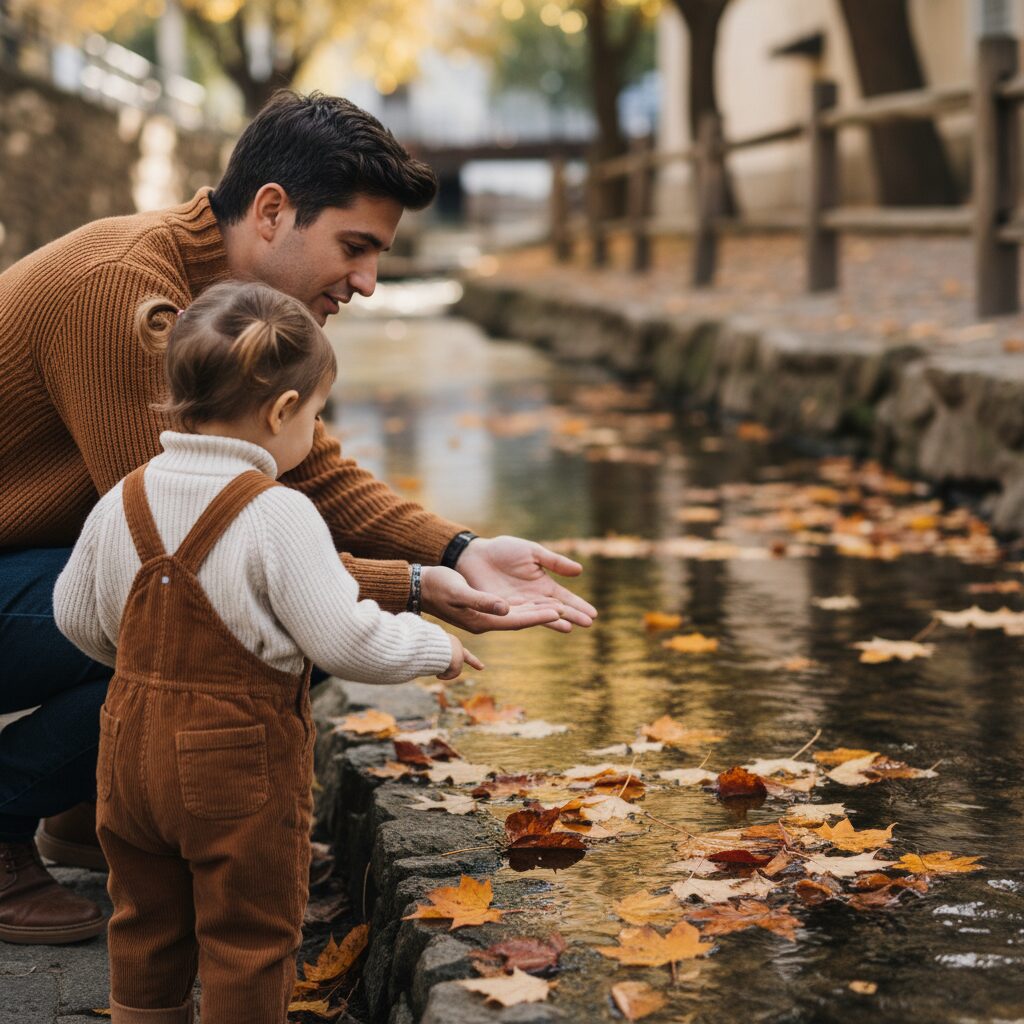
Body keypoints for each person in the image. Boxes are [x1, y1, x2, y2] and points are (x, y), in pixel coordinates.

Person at [0, 91, 596, 943]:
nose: (367, 282)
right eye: (355, 248)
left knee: (254, 609)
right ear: (273, 211)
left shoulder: (232, 314)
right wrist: (413, 590)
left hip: (25, 567)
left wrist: (459, 549)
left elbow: (311, 471)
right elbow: (189, 549)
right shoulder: (127, 295)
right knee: (236, 615)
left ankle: (88, 809)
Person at [53, 279, 480, 1022]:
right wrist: (430, 647)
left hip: (127, 756)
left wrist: (144, 662)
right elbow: (343, 637)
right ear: (283, 411)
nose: (313, 433)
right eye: (316, 416)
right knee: (248, 934)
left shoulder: (122, 496)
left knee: (146, 923)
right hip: (236, 768)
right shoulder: (279, 513)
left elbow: (74, 618)